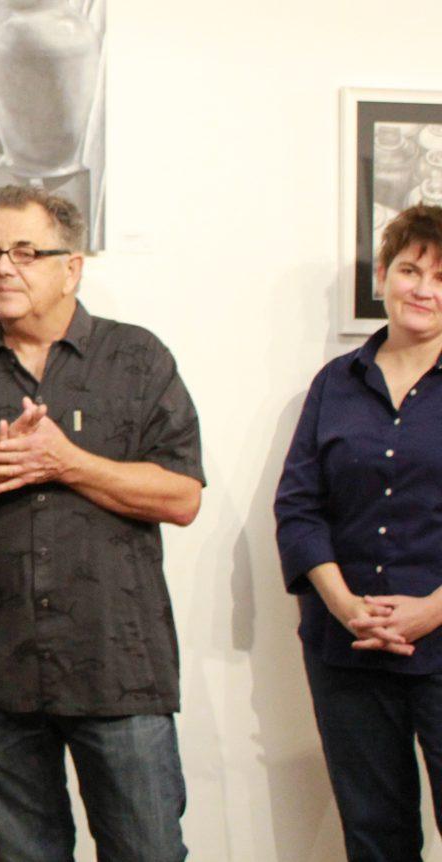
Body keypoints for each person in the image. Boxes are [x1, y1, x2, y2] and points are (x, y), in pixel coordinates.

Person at [0, 185, 204, 862]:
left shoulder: (137, 359)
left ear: (72, 267)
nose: (2, 267)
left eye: (24, 252)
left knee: (149, 852)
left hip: (118, 664)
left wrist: (67, 463)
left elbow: (182, 494)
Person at [275, 204, 442, 861]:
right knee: (375, 835)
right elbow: (298, 507)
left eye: (441, 275)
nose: (424, 288)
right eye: (410, 269)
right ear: (383, 275)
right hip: (346, 648)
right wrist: (346, 608)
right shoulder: (334, 385)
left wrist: (430, 611)